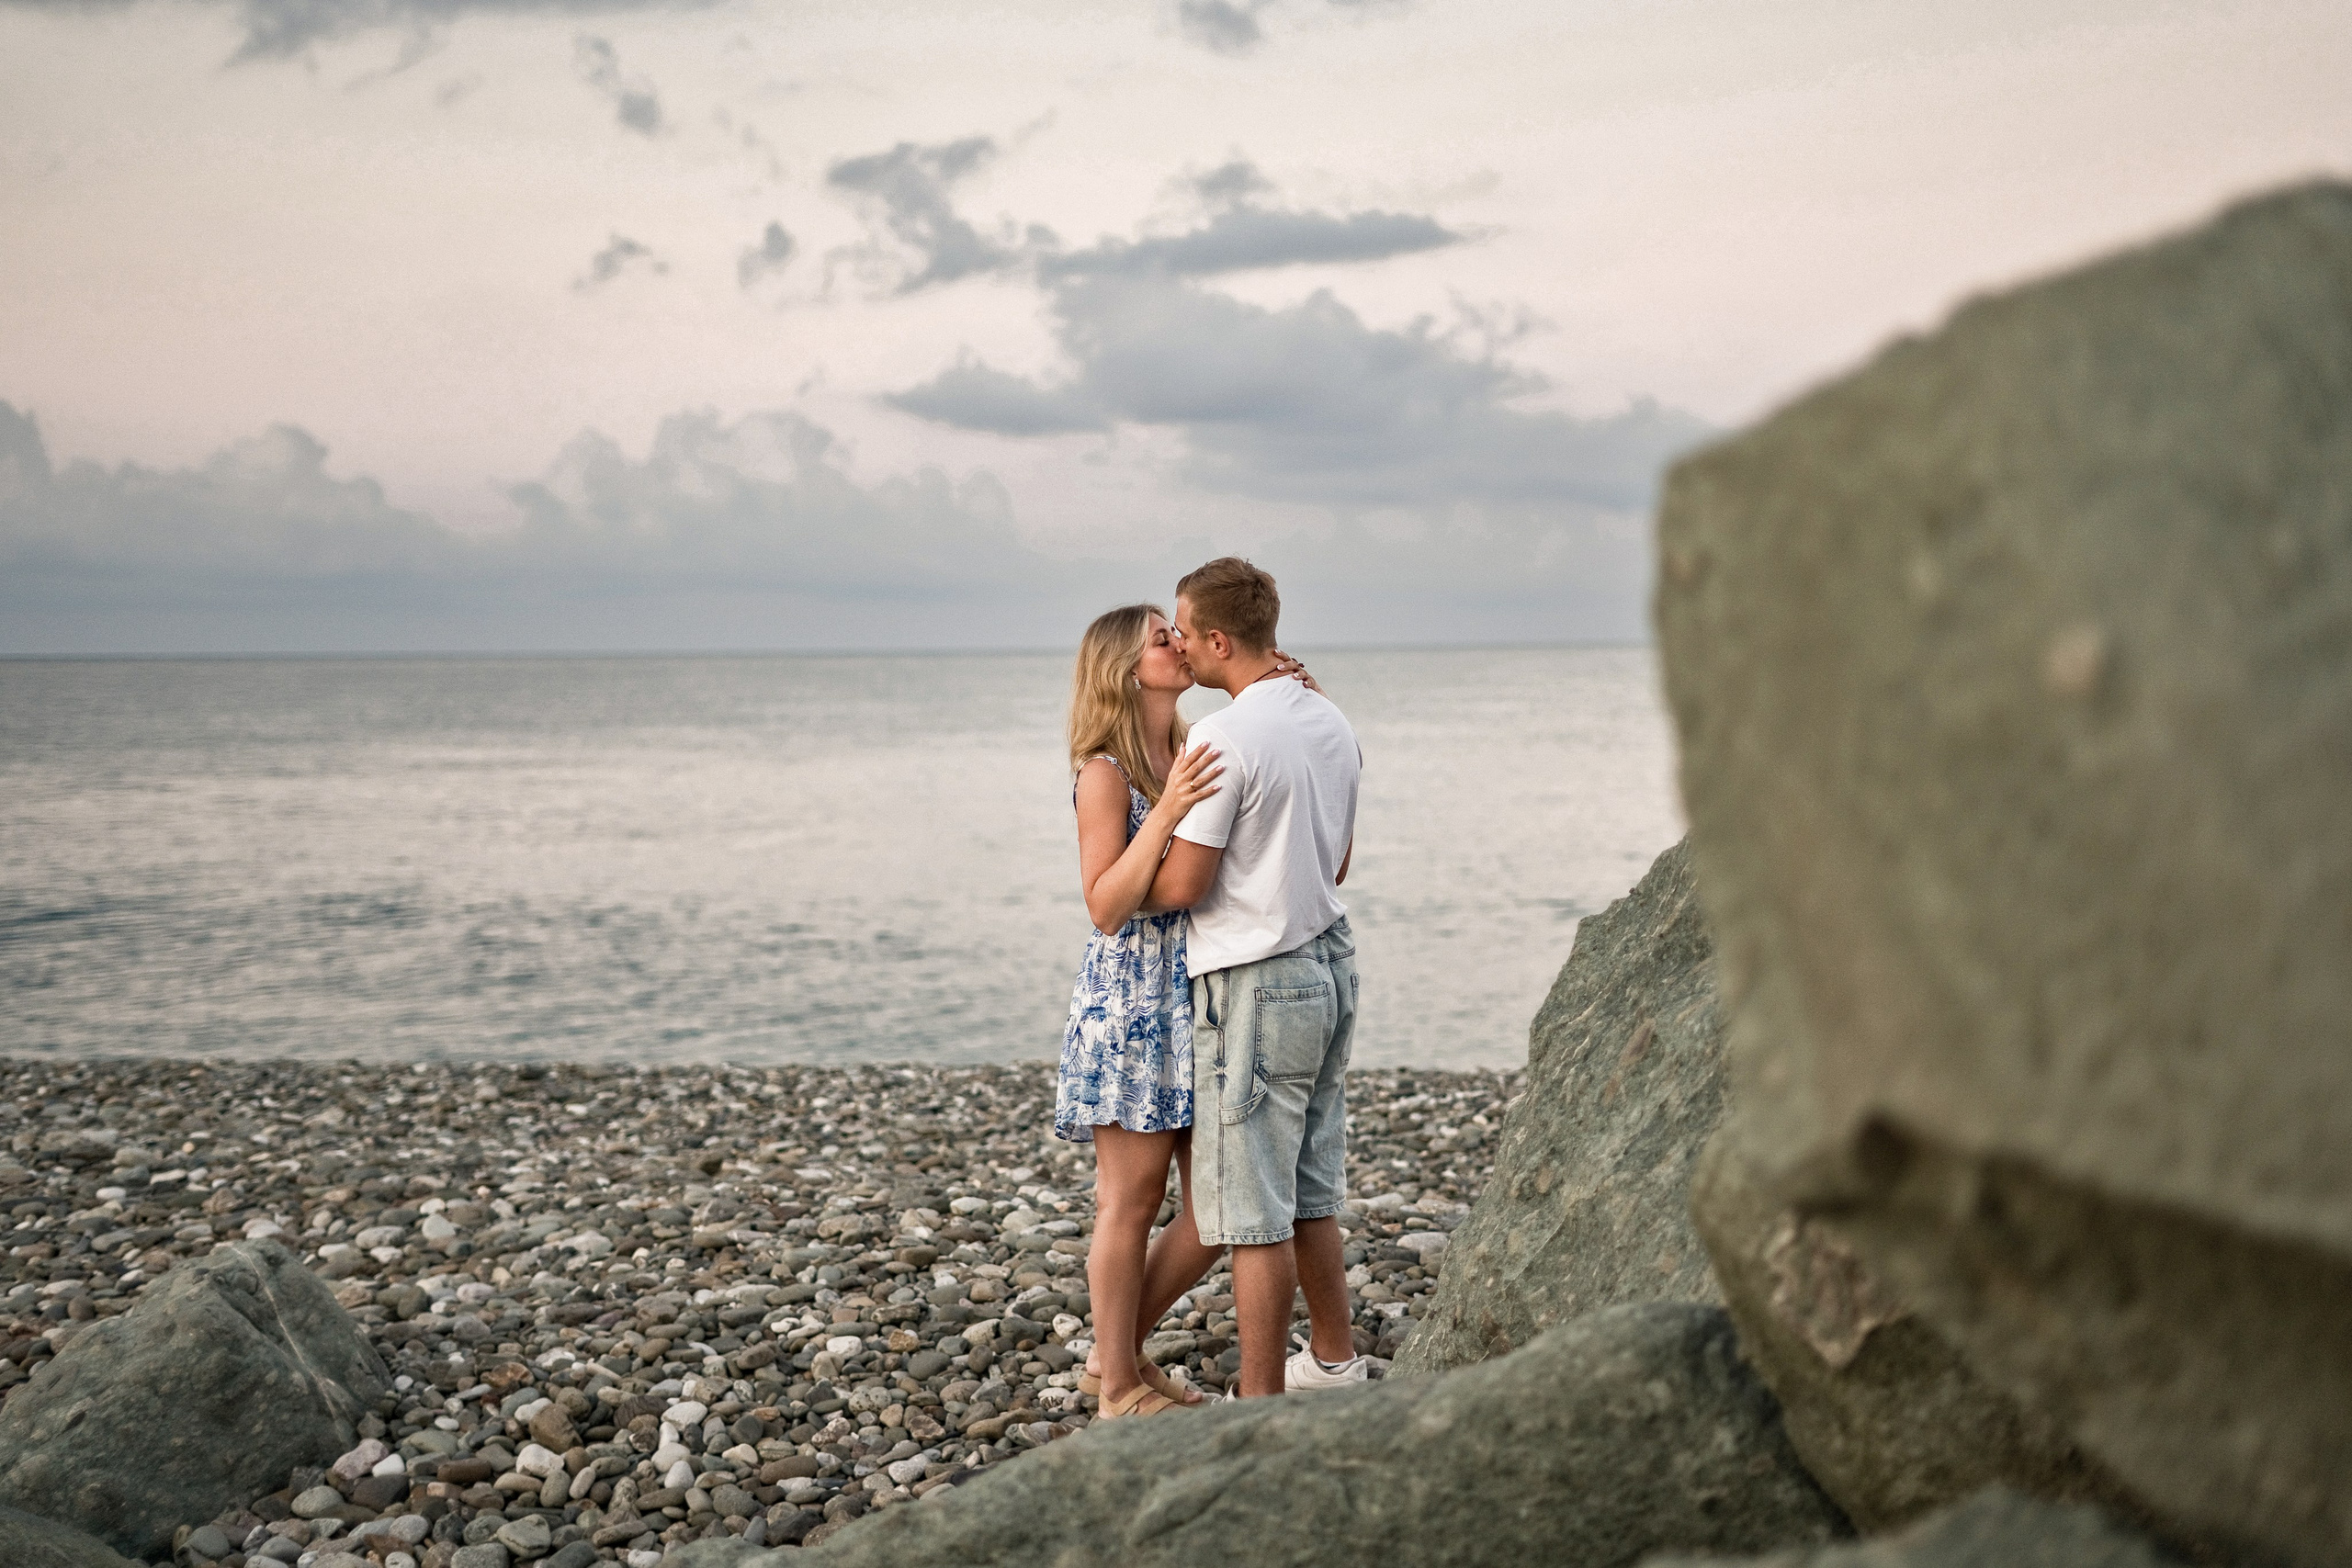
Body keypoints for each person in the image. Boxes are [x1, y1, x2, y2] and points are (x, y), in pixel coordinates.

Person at [1052, 603, 1320, 1418]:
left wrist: (1290, 689)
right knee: (1127, 1205)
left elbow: (1261, 743)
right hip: (1131, 1004)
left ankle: (1113, 1350)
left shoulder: (1198, 740)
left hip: (1203, 994)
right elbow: (1105, 905)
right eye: (1163, 639)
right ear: (1127, 669)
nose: (1179, 644)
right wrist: (1164, 811)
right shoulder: (1103, 771)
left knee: (1213, 1208)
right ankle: (1120, 1389)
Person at [1144, 558, 1365, 1397]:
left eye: (1184, 629)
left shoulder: (1223, 737)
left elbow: (1182, 886)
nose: (1178, 643)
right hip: (1329, 963)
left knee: (1252, 1206)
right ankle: (1336, 1364)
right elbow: (1336, 861)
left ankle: (1260, 1406)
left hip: (1256, 979)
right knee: (1310, 1185)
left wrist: (1149, 842)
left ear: (1219, 639)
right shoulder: (1331, 719)